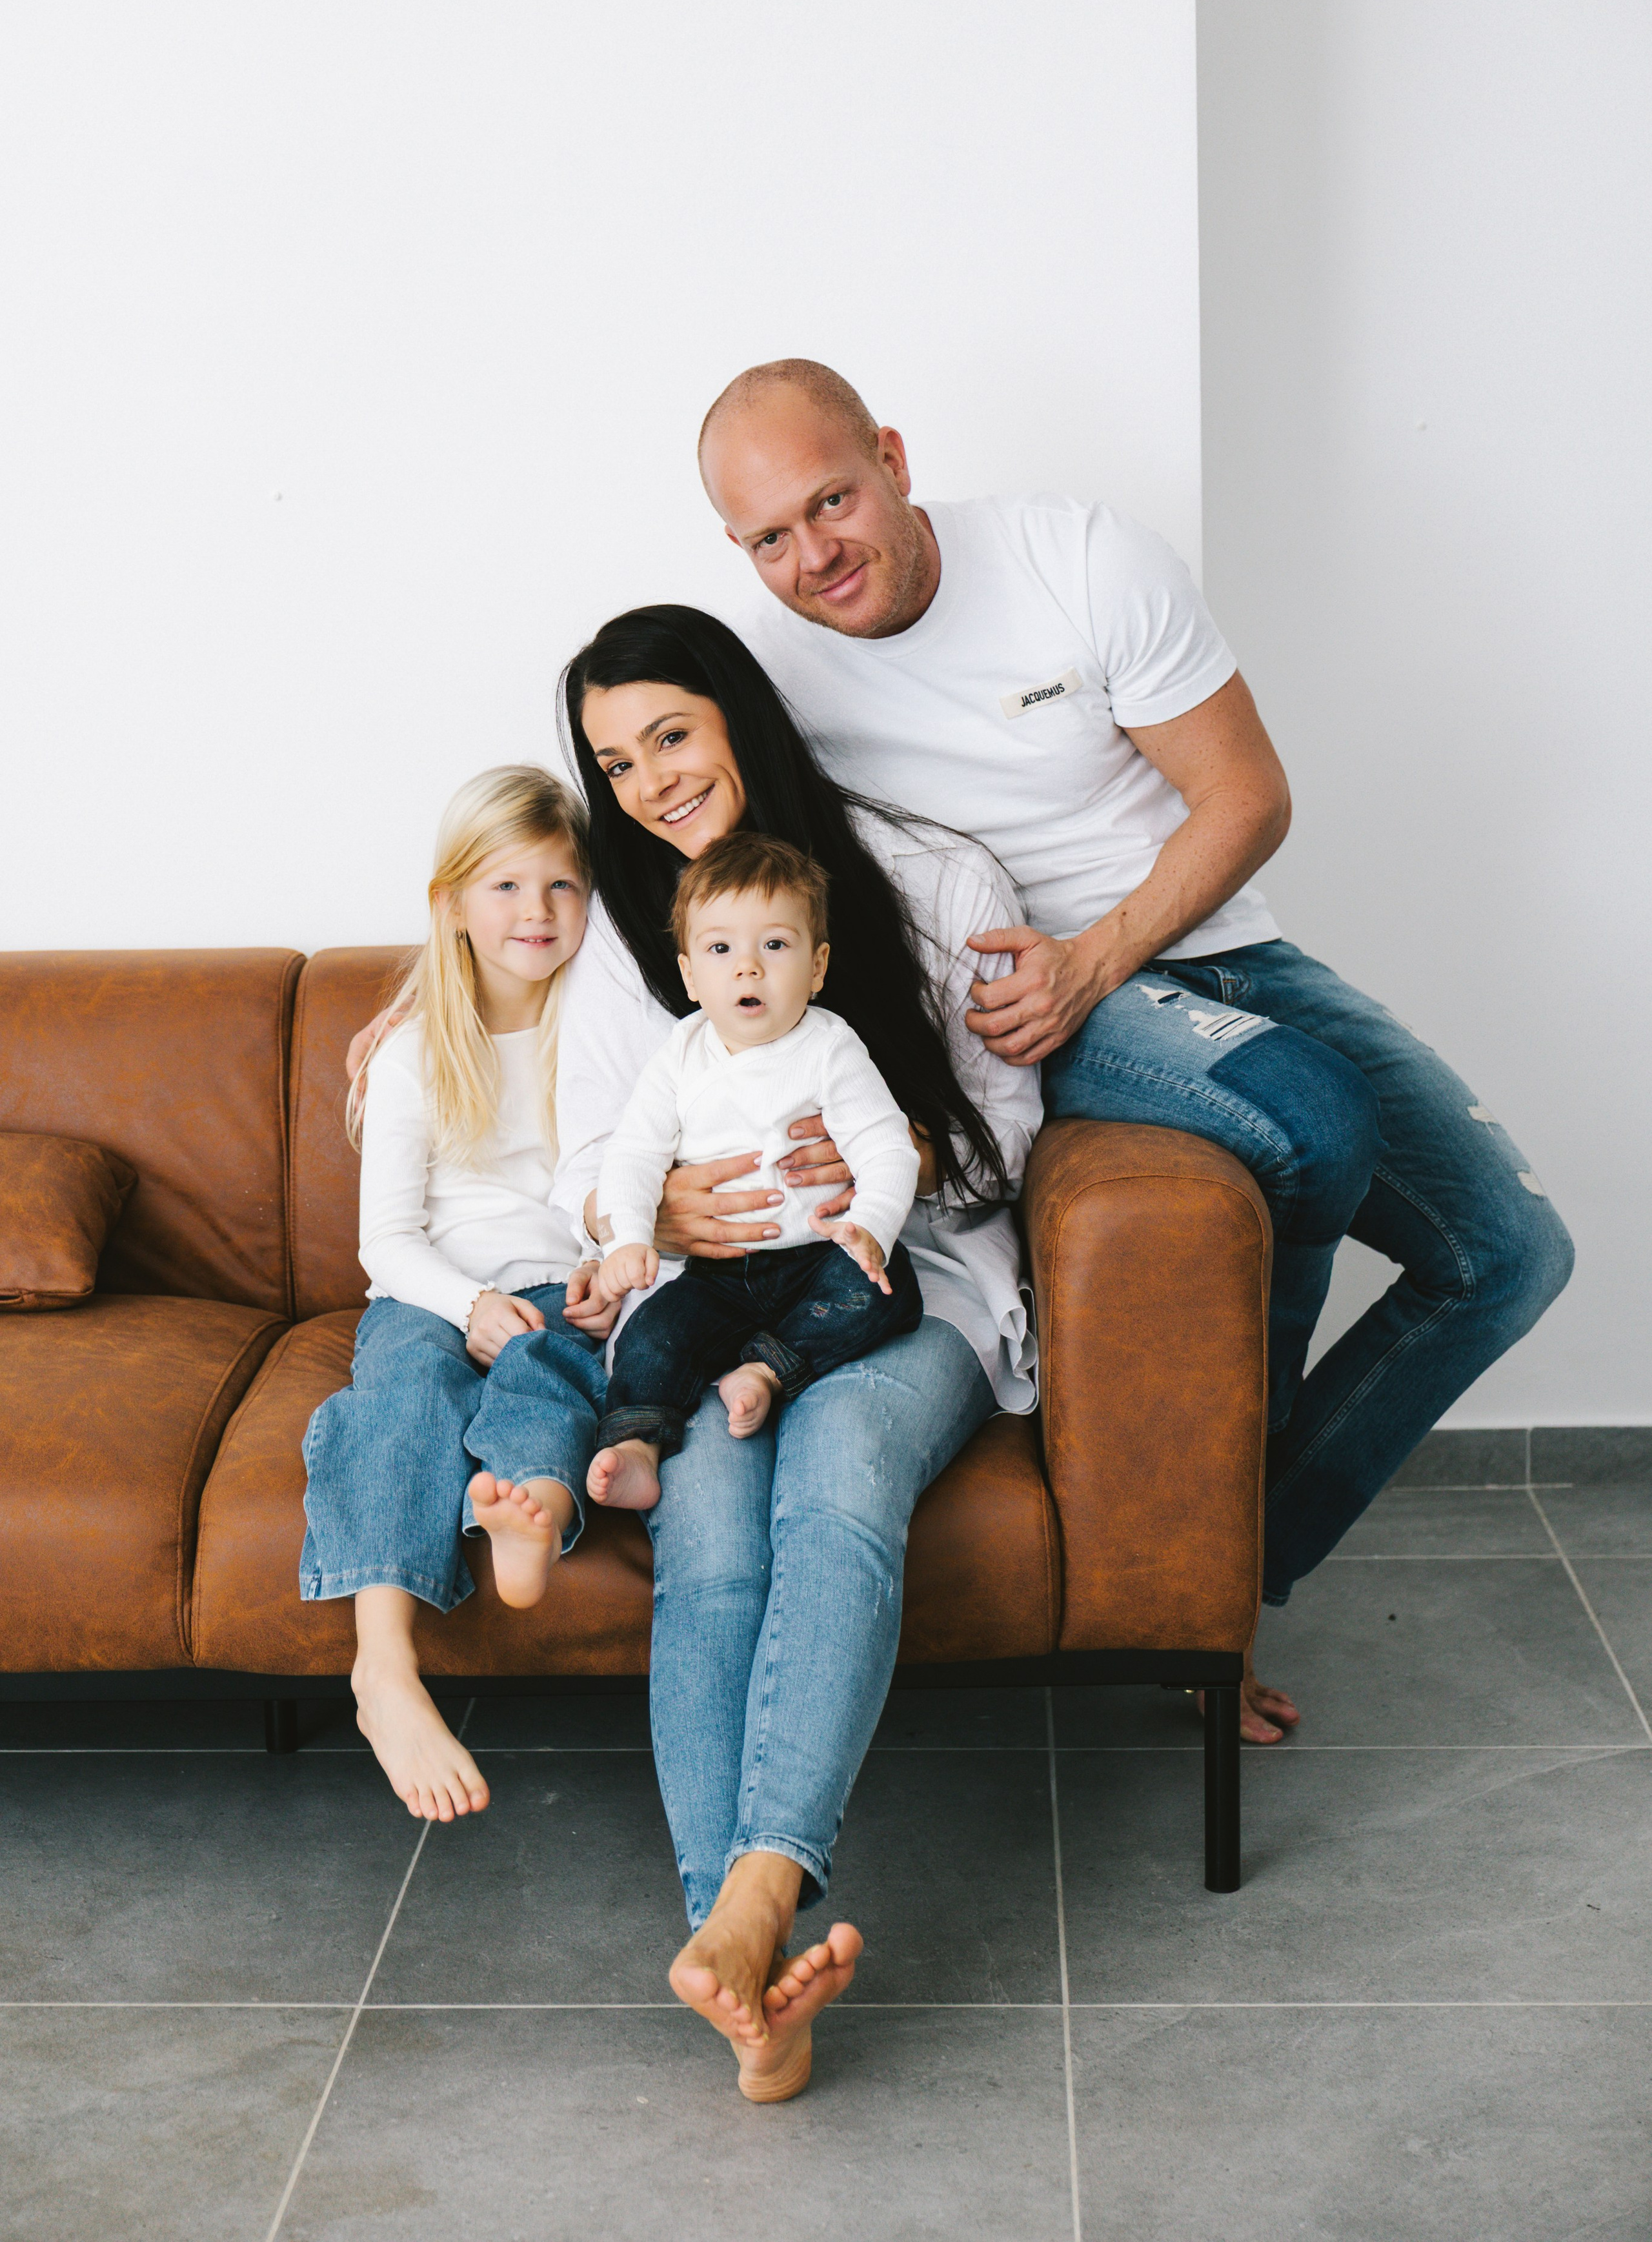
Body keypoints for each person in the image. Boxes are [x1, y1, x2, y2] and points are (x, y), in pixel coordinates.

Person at [695, 356, 1576, 1742]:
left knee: (1509, 1259)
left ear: (893, 456)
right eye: (768, 537)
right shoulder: (768, 672)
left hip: (1188, 952)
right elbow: (642, 801)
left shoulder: (1075, 557)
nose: (815, 555)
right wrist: (461, 958)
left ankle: (1227, 1562)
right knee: (1312, 1120)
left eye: (832, 500)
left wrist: (1093, 957)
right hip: (1015, 1002)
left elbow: (1245, 794)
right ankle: (1201, 1612)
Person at [550, 602, 1041, 2101]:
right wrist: (660, 1213)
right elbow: (588, 1161)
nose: (646, 780)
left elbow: (1007, 1135)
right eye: (612, 761)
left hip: (902, 1282)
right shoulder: (636, 941)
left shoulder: (932, 874)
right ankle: (745, 1970)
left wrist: (875, 1179)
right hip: (713, 1303)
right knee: (707, 1513)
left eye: (669, 735)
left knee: (827, 1463)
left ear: (740, 713)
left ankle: (751, 1901)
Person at [303, 765, 616, 1825]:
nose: (536, 913)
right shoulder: (414, 1048)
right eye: (505, 887)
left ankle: (531, 1508)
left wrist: (605, 1271)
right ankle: (383, 1669)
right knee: (403, 1400)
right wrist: (464, 1305)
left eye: (563, 887)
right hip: (426, 1289)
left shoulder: (609, 1016)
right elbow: (385, 1238)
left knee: (558, 1364)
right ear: (451, 905)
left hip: (556, 1280)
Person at [586, 829, 923, 1511]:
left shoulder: (830, 1048)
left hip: (817, 1258)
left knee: (882, 1292)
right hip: (717, 1272)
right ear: (688, 976)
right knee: (653, 1336)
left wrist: (869, 1226)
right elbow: (633, 1154)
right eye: (721, 950)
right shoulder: (681, 1055)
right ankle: (637, 1444)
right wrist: (625, 1239)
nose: (748, 968)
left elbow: (888, 1145)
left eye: (774, 945)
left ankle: (766, 1371)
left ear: (817, 965)